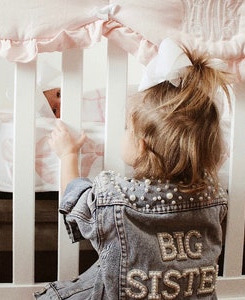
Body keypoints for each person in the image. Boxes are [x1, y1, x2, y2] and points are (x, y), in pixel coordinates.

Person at [34, 38, 230, 300]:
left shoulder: (114, 198)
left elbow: (75, 201)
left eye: (126, 127)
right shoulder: (213, 197)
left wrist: (68, 153)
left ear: (141, 146)